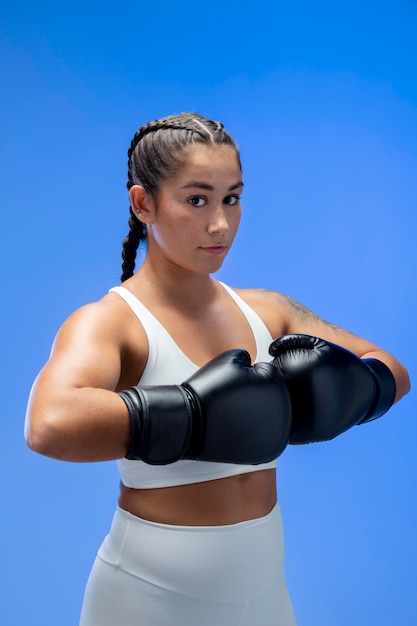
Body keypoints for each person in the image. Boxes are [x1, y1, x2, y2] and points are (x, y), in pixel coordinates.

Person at [25, 112, 410, 626]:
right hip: (147, 598)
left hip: (265, 596)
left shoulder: (268, 311)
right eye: (196, 199)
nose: (219, 224)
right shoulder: (113, 322)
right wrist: (193, 416)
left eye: (232, 198)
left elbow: (394, 371)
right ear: (144, 204)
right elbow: (49, 424)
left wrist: (355, 390)